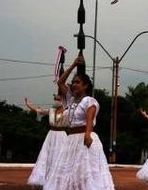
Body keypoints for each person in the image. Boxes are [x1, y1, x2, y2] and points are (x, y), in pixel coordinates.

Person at [43, 55, 114, 190]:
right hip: (70, 140)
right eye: (73, 82)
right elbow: (60, 82)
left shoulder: (89, 101)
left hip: (84, 138)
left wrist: (87, 135)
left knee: (84, 173)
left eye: (77, 82)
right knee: (68, 173)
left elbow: (89, 119)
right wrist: (74, 65)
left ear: (85, 85)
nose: (74, 85)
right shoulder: (71, 99)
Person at [25, 94, 68, 186]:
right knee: (47, 155)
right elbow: (39, 111)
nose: (56, 100)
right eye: (55, 98)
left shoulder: (67, 112)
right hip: (51, 135)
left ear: (63, 101)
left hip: (61, 135)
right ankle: (46, 179)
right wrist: (29, 106)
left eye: (58, 99)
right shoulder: (51, 110)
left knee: (60, 156)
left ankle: (60, 180)